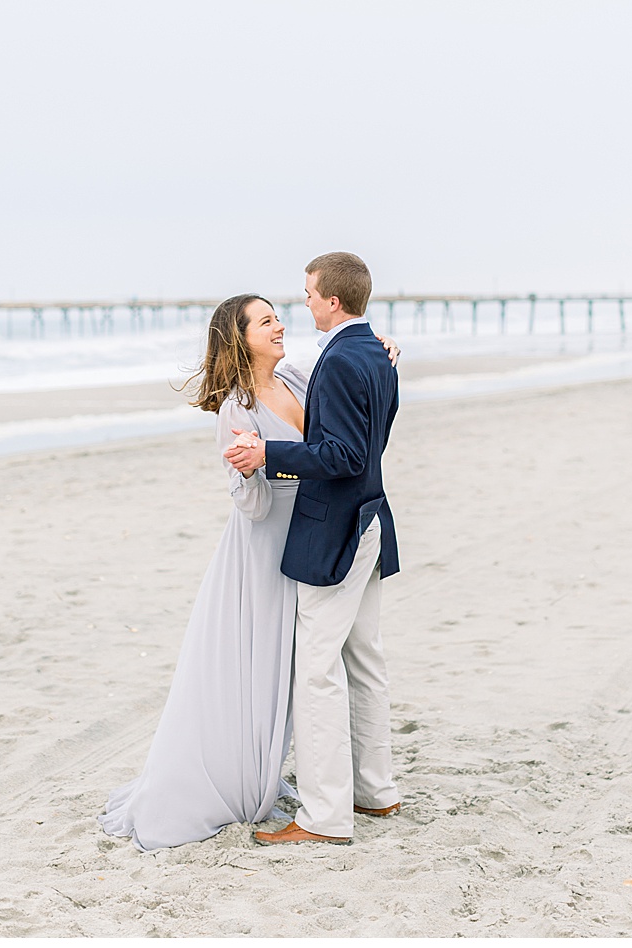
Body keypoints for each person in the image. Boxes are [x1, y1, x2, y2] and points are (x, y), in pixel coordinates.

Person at [99, 294, 398, 850]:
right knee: (257, 663)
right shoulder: (236, 409)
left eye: (278, 315)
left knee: (311, 663)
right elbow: (253, 506)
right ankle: (252, 777)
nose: (280, 325)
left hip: (316, 533)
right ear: (241, 338)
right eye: (266, 322)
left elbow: (346, 378)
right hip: (265, 545)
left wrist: (383, 349)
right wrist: (249, 472)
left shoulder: (298, 376)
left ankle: (349, 793)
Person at [227, 251, 403, 846]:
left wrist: (268, 455)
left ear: (331, 300)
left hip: (339, 532)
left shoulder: (342, 362)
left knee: (318, 669)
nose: (301, 303)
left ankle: (325, 817)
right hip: (373, 519)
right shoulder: (376, 354)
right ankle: (376, 792)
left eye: (307, 294)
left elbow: (344, 456)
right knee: (366, 659)